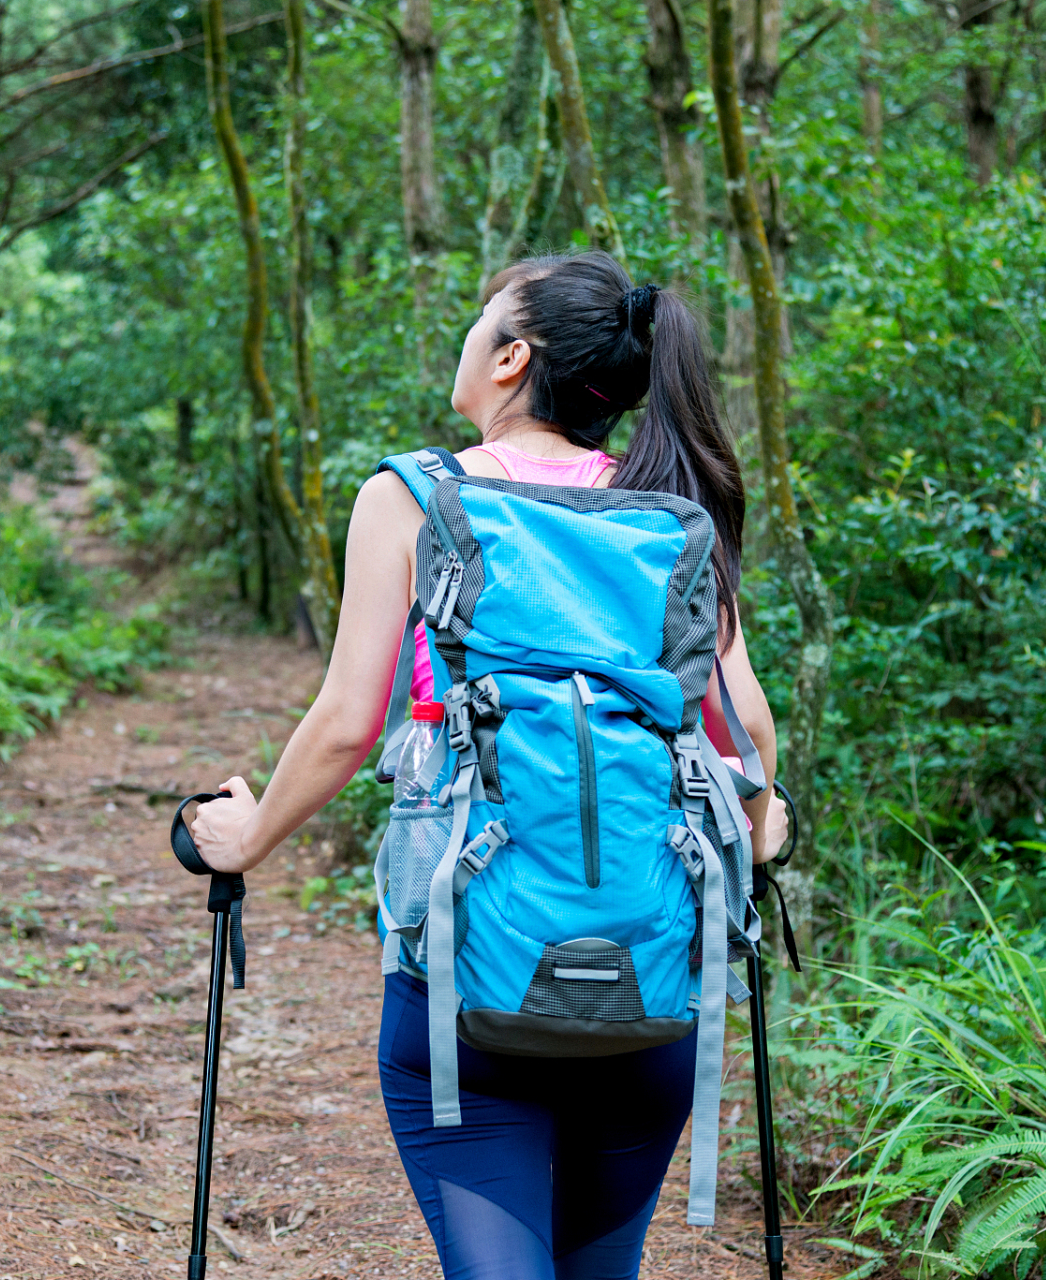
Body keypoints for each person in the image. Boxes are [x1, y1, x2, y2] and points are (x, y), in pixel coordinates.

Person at [189, 250, 786, 1280]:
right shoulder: (667, 514)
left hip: (469, 987)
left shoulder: (417, 495)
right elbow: (747, 734)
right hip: (651, 986)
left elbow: (343, 722)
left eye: (482, 320)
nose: (469, 336)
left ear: (511, 357)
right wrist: (764, 819)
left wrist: (245, 835)